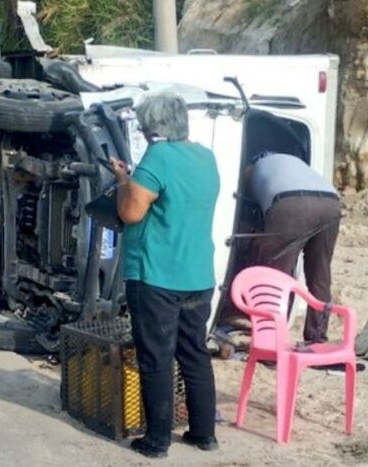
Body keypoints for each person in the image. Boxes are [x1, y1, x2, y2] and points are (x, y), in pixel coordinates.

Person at [110, 92, 220, 459]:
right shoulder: (206, 157)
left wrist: (122, 180)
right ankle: (204, 434)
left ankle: (157, 440)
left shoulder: (158, 156)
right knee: (194, 353)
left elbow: (131, 212)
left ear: (152, 128)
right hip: (199, 274)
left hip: (157, 275)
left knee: (156, 357)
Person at [245, 152, 340, 343]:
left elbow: (248, 209)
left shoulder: (252, 169)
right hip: (331, 203)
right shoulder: (289, 162)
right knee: (320, 274)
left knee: (275, 276)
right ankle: (317, 337)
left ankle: (270, 340)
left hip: (292, 205)